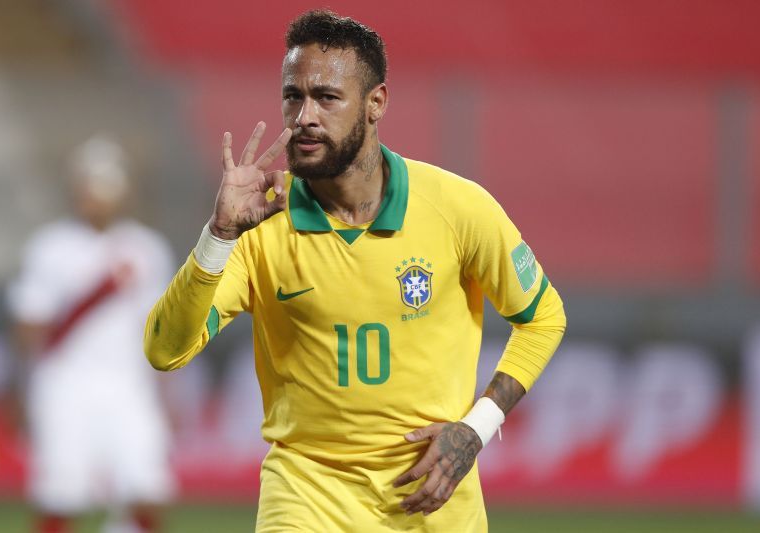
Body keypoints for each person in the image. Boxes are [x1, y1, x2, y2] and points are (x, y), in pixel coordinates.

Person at [145, 10, 566, 532]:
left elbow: (544, 317)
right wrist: (219, 236)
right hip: (305, 496)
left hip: (431, 500)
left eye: (326, 97)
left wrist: (477, 428)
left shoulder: (457, 208)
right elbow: (165, 351)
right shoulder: (261, 225)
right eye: (292, 96)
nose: (303, 117)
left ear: (376, 104)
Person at [9, 135, 175, 533]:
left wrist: (169, 392)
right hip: (65, 382)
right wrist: (18, 386)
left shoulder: (146, 248)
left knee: (146, 486)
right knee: (61, 493)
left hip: (128, 381)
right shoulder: (51, 246)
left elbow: (161, 331)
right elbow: (29, 325)